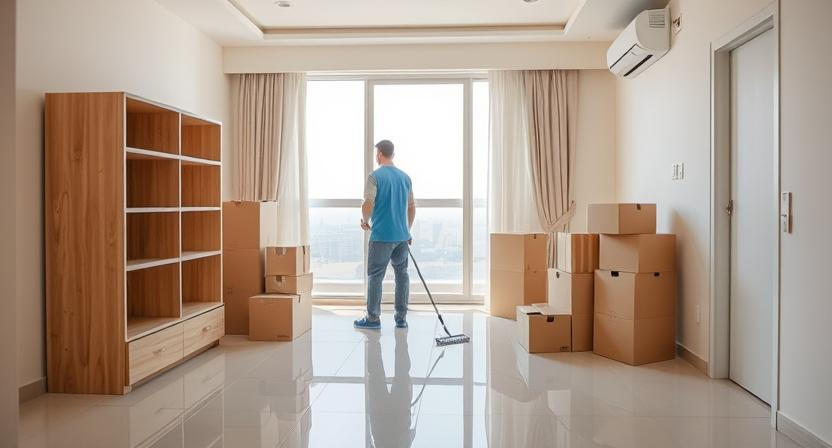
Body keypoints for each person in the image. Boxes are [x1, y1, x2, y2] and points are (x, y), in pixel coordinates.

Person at [354, 139, 416, 330]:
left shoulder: (375, 176)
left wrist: (365, 220)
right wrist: (407, 230)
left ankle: (373, 318)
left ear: (379, 154)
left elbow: (368, 202)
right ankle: (401, 318)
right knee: (402, 276)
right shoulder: (405, 178)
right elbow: (411, 207)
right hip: (401, 238)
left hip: (381, 236)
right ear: (393, 155)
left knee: (375, 276)